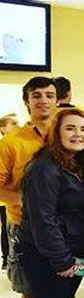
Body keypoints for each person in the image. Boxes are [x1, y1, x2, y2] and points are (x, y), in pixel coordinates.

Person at [0, 77, 84, 298]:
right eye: (36, 95)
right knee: (34, 293)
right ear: (27, 101)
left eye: (49, 95)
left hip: (64, 234)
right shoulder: (14, 143)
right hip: (29, 229)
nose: (43, 100)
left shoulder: (69, 143)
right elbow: (41, 214)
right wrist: (31, 203)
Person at [17, 108, 84, 298]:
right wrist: (62, 261)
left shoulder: (78, 163)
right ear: (56, 132)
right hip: (46, 256)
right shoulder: (44, 168)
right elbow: (43, 222)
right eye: (70, 128)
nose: (78, 134)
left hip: (72, 250)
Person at [0, 113, 19, 270]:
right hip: (8, 201)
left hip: (13, 202)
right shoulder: (4, 146)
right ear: (3, 128)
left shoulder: (19, 144)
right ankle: (6, 258)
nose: (17, 126)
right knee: (7, 231)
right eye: (13, 123)